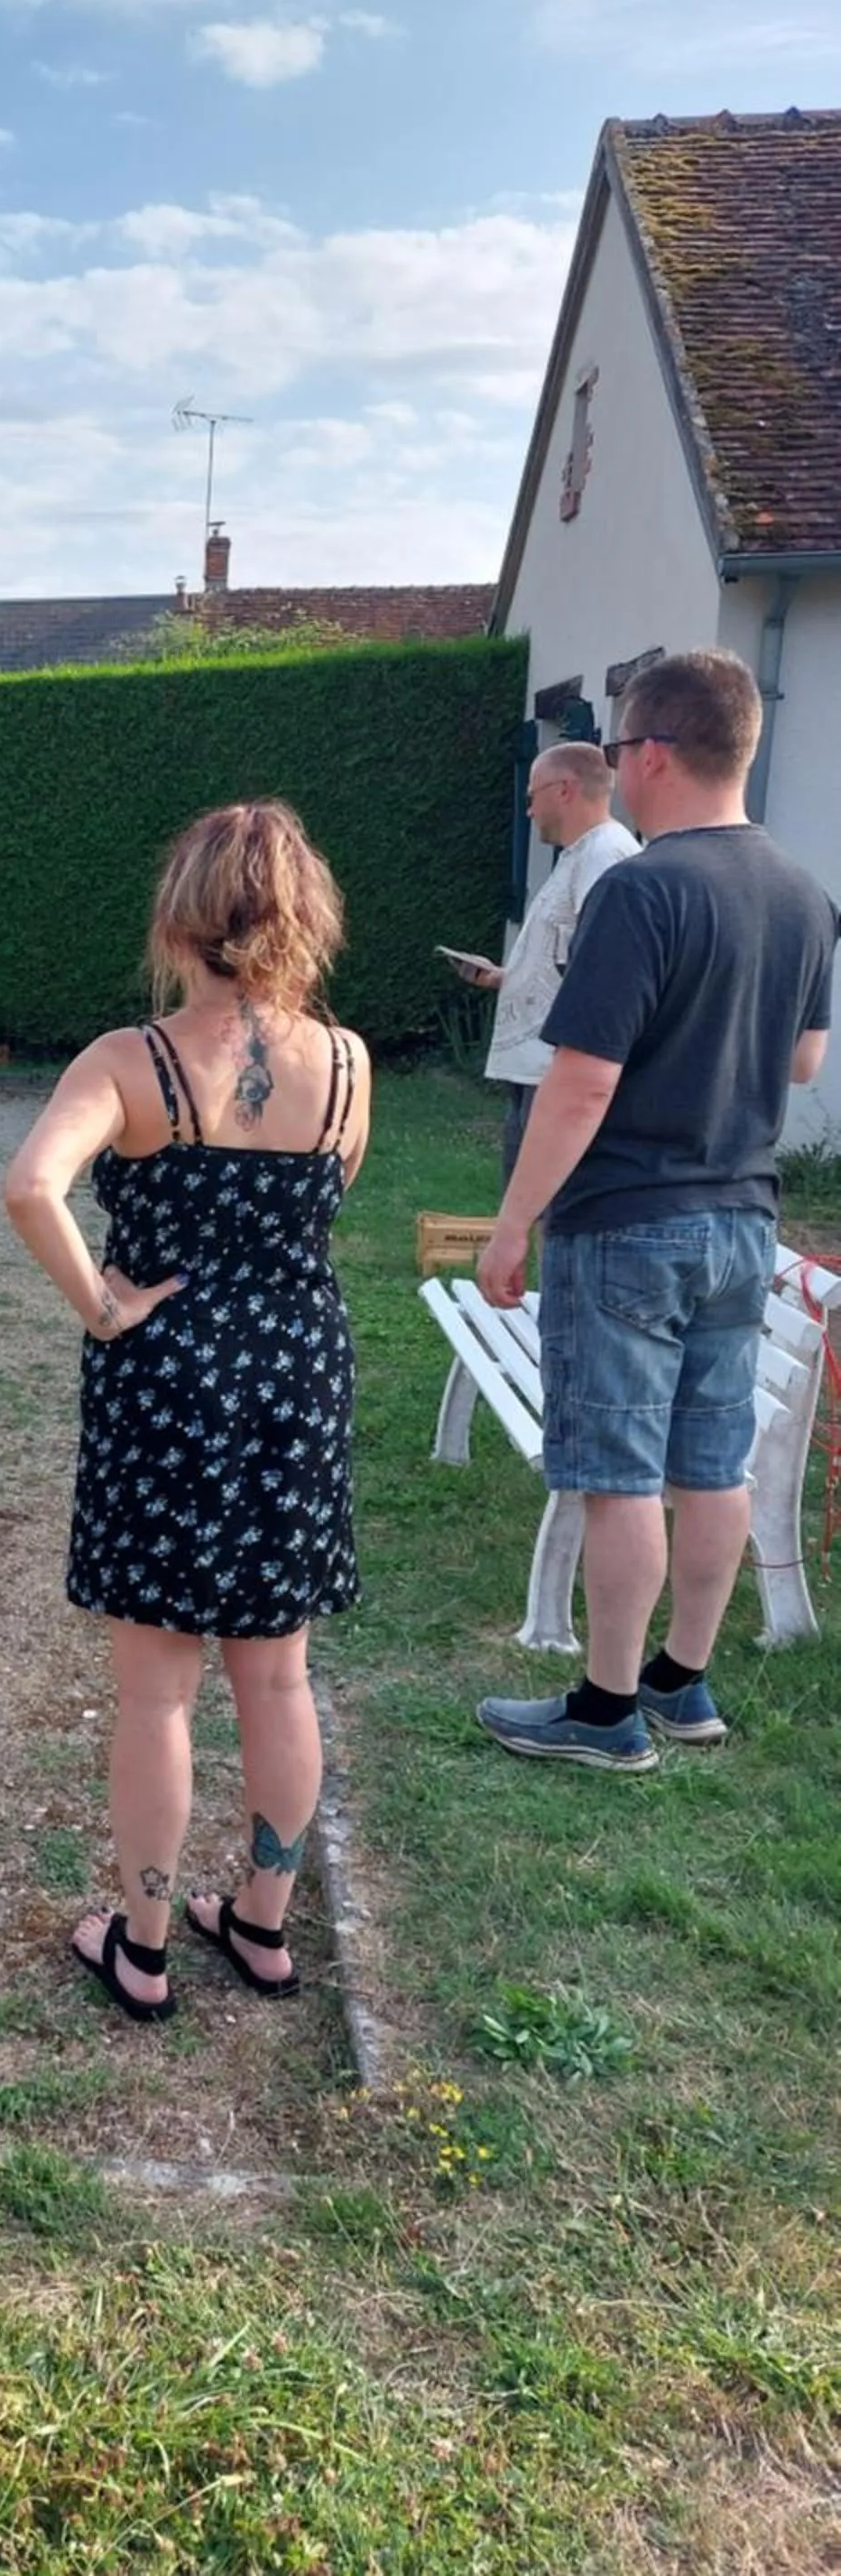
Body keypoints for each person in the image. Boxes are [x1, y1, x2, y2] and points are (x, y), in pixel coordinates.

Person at [4, 801, 371, 2017]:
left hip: (163, 1381)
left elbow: (30, 1188)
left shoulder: (128, 1063)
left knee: (158, 1691)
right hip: (293, 1382)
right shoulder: (349, 1069)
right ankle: (260, 1927)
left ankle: (145, 1945)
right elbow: (320, 1208)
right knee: (276, 1679)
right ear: (301, 919)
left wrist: (102, 1305)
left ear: (179, 921)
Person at [474, 651, 838, 1773]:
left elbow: (580, 1082)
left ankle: (606, 1707)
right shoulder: (801, 890)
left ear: (656, 753)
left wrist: (509, 1223)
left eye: (624, 749)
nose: (621, 772)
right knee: (712, 1463)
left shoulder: (643, 888)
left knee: (617, 1470)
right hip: (743, 1220)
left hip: (630, 1219)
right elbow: (805, 1063)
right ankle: (684, 1682)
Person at [456, 741, 639, 1184]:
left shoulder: (606, 856)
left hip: (557, 1070)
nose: (529, 811)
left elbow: (606, 967)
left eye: (532, 796)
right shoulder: (579, 854)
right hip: (536, 1066)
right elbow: (566, 957)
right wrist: (505, 979)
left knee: (550, 1203)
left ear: (564, 790)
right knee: (527, 1203)